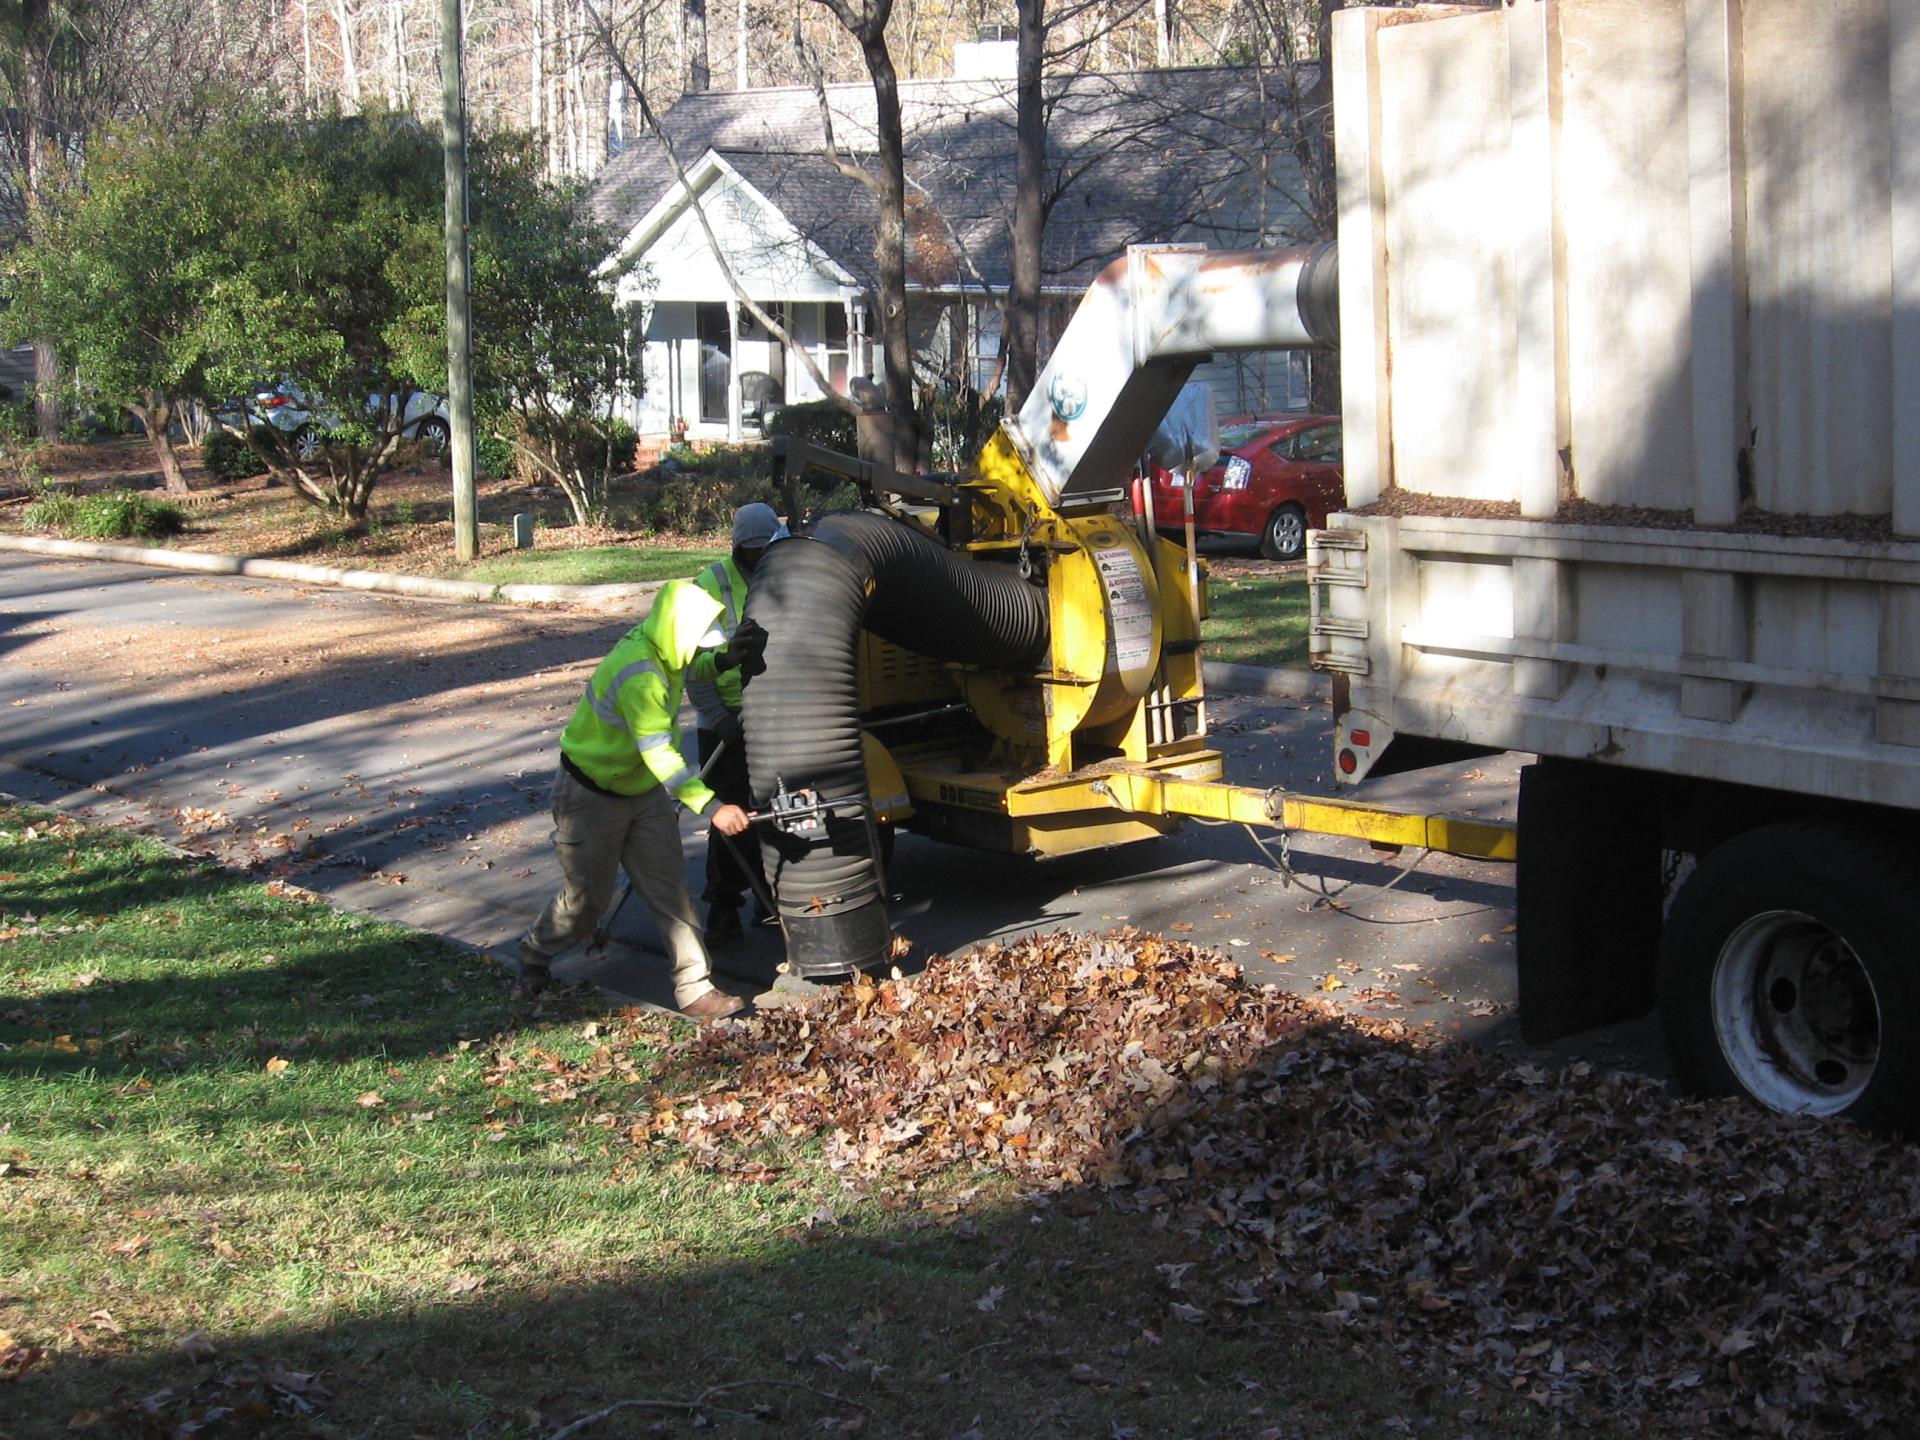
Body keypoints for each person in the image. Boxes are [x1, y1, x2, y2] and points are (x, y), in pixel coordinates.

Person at [515, 578, 766, 1018]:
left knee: (670, 890)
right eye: (697, 642)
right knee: (586, 902)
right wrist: (711, 808)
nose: (695, 651)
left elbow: (691, 665)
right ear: (678, 631)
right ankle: (534, 955)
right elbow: (661, 755)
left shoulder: (664, 644)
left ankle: (695, 988)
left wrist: (724, 658)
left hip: (640, 790)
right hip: (590, 794)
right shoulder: (640, 672)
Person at [686, 502, 787, 941]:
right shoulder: (710, 587)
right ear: (735, 547)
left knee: (771, 812)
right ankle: (723, 907)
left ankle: (769, 901)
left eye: (763, 549)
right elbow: (695, 666)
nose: (757, 556)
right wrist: (718, 717)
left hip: (769, 718)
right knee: (731, 818)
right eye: (750, 550)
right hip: (724, 724)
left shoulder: (785, 575)